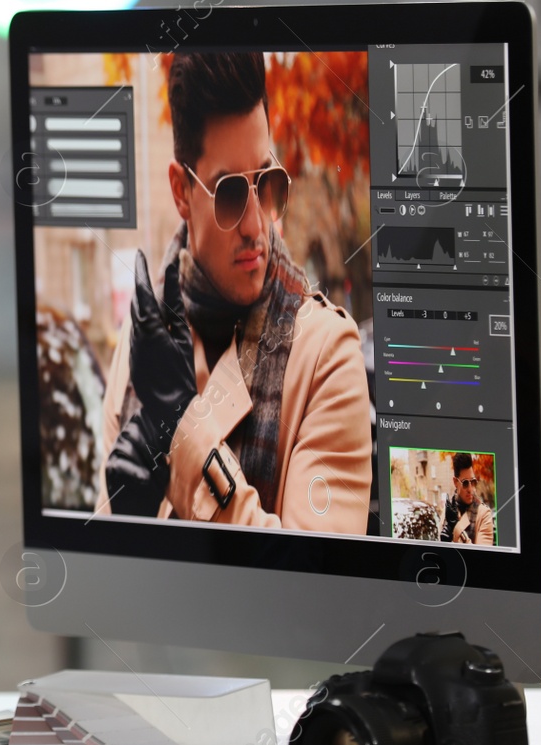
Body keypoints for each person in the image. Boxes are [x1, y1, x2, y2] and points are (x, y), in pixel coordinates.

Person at [97, 51, 371, 530]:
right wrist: (131, 529)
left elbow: (314, 589)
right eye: (228, 193)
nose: (256, 224)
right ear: (182, 192)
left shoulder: (328, 356)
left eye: (265, 183)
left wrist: (185, 427)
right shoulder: (139, 345)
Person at [440, 452, 495, 545]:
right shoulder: (447, 511)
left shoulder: (484, 514)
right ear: (455, 482)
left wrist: (456, 527)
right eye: (465, 483)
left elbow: (481, 556)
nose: (470, 489)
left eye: (473, 482)